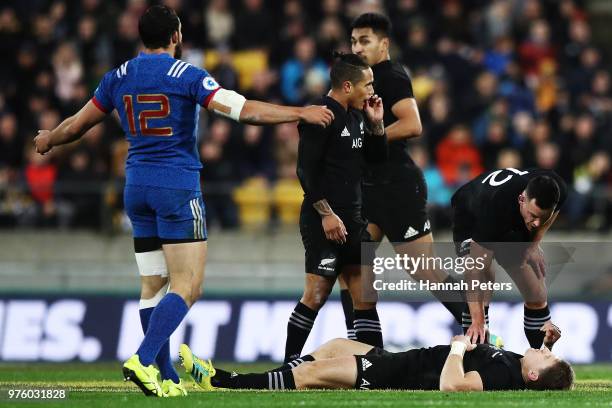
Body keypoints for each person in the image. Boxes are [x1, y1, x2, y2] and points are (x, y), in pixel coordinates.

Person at [33, 5, 333, 397]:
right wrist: (300, 112)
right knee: (188, 286)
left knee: (152, 286)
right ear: (176, 36)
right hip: (175, 186)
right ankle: (143, 358)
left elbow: (78, 124)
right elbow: (242, 110)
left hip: (135, 186)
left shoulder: (117, 76)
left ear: (142, 37)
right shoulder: (186, 75)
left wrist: (49, 138)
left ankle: (165, 378)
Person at [340, 12, 465, 342]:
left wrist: (367, 139)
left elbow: (413, 125)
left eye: (364, 40)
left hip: (397, 187)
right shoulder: (356, 78)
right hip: (367, 188)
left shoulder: (390, 76)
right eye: (353, 41)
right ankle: (366, 351)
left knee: (424, 271)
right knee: (352, 268)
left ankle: (478, 325)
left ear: (384, 44)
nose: (357, 46)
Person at [283, 53, 387, 363]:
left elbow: (376, 162)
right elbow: (305, 171)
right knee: (316, 295)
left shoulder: (357, 115)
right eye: (367, 84)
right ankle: (289, 363)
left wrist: (377, 126)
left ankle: (375, 364)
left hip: (354, 219)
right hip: (322, 219)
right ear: (347, 85)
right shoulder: (320, 115)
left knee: (366, 296)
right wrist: (327, 214)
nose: (371, 90)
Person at [178, 325, 571, 392]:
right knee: (334, 344)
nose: (542, 351)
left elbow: (454, 385)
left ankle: (222, 380)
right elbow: (500, 351)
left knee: (312, 374)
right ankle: (268, 378)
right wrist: (542, 338)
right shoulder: (517, 362)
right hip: (402, 359)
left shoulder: (506, 375)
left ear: (533, 376)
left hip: (396, 374)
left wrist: (456, 350)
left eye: (545, 356)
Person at [451, 167, 567, 347]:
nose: (537, 223)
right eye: (534, 216)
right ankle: (478, 349)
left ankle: (540, 359)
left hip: (511, 215)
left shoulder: (556, 189)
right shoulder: (495, 210)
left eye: (542, 217)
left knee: (536, 292)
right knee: (485, 275)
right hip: (470, 210)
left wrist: (533, 245)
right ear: (522, 199)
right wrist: (478, 319)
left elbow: (551, 213)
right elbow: (475, 269)